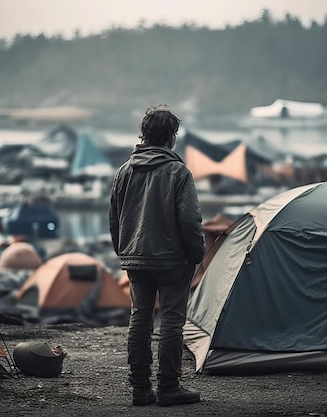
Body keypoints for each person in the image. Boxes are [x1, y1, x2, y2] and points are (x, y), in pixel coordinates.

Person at [109, 104, 205, 407]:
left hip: (135, 257)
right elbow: (190, 221)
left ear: (144, 134)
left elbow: (115, 218)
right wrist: (196, 254)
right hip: (173, 259)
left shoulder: (124, 171)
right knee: (172, 322)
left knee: (139, 319)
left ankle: (140, 389)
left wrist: (124, 250)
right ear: (171, 137)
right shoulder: (178, 172)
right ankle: (169, 388)